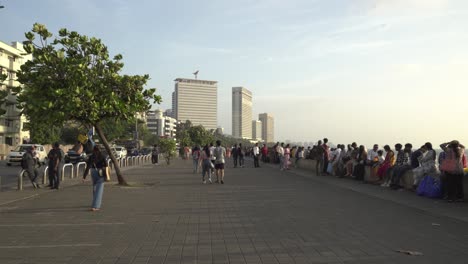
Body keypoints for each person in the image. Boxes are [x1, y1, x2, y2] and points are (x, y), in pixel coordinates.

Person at [83, 146, 108, 211]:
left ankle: (94, 201)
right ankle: (96, 206)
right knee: (99, 190)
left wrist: (84, 177)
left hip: (93, 172)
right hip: (100, 172)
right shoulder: (102, 156)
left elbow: (88, 167)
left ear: (93, 150)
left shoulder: (91, 156)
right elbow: (106, 165)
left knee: (95, 188)